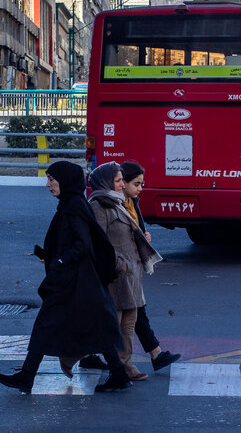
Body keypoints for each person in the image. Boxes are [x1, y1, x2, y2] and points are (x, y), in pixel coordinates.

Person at [0, 160, 131, 394]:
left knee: (44, 326)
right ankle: (118, 373)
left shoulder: (73, 206)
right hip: (78, 280)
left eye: (52, 179)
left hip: (73, 281)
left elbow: (82, 244)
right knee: (94, 326)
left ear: (65, 181)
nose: (48, 185)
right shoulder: (71, 203)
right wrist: (50, 255)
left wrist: (59, 261)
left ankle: (27, 377)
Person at [87, 162, 162, 382]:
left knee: (129, 324)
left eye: (122, 180)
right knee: (114, 325)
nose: (121, 185)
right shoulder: (99, 205)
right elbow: (98, 242)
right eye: (118, 180)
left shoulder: (121, 203)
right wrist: (119, 263)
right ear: (106, 182)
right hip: (115, 275)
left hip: (131, 275)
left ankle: (126, 366)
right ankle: (114, 368)